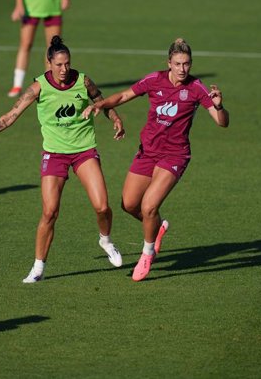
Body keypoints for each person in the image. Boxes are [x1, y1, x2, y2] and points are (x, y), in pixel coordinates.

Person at [0, 36, 125, 283]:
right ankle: (38, 267)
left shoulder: (83, 81)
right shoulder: (38, 88)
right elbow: (10, 116)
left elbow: (100, 101)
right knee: (50, 212)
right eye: (59, 65)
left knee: (102, 206)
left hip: (84, 150)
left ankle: (105, 240)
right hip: (54, 154)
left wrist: (115, 118)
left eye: (67, 64)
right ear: (49, 63)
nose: (64, 70)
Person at [82, 38, 229, 282]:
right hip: (148, 152)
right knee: (129, 205)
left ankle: (147, 253)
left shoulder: (196, 88)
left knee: (149, 205)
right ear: (168, 63)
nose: (183, 69)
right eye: (178, 64)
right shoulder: (155, 80)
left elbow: (222, 122)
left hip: (175, 155)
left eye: (187, 64)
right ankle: (156, 227)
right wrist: (101, 105)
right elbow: (123, 96)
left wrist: (220, 106)